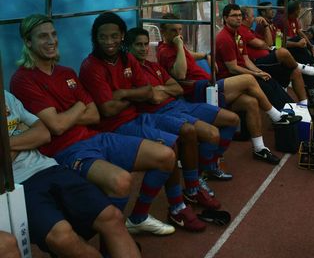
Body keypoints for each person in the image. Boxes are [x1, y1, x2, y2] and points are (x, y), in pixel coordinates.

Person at [10, 14, 187, 235]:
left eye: (54, 34)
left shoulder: (66, 72)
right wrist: (78, 107)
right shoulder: (23, 79)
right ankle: (110, 241)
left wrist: (68, 114)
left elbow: (94, 115)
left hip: (94, 136)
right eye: (43, 36)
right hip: (65, 150)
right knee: (121, 181)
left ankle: (138, 218)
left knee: (166, 156)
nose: (51, 40)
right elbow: (56, 126)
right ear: (28, 42)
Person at [79, 12, 220, 231]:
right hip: (115, 127)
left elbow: (148, 92)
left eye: (114, 36)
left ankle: (187, 194)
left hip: (138, 116)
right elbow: (107, 109)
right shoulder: (91, 66)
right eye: (103, 37)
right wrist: (136, 94)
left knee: (186, 133)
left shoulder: (128, 60)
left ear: (121, 36)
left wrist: (122, 94)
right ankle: (166, 209)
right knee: (170, 147)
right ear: (95, 38)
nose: (109, 41)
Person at [5, 90, 141, 257]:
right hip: (16, 184)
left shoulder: (6, 96)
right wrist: (24, 134)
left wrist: (8, 143)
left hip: (48, 167)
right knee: (62, 237)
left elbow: (43, 134)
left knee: (112, 217)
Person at [156, 15, 300, 165]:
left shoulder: (177, 47)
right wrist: (179, 45)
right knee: (249, 80)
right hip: (199, 91)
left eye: (179, 29)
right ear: (163, 31)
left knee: (250, 102)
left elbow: (188, 55)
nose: (178, 34)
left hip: (209, 87)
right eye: (173, 30)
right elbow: (180, 73)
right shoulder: (165, 51)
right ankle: (276, 116)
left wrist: (205, 55)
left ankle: (259, 148)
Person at [125, 26, 238, 181]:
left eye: (146, 44)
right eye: (139, 45)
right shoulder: (130, 71)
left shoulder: (153, 66)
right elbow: (155, 98)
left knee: (232, 120)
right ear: (129, 47)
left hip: (180, 104)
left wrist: (160, 89)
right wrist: (163, 91)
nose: (144, 48)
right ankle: (198, 178)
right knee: (212, 134)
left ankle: (210, 164)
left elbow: (177, 89)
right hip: (161, 113)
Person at [239, 5, 313, 104]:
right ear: (246, 17)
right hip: (259, 63)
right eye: (252, 16)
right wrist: (265, 43)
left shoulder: (251, 30)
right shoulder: (242, 30)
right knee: (283, 52)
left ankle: (304, 104)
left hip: (268, 57)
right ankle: (301, 67)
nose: (254, 19)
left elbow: (268, 43)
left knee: (295, 72)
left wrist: (265, 25)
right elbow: (264, 44)